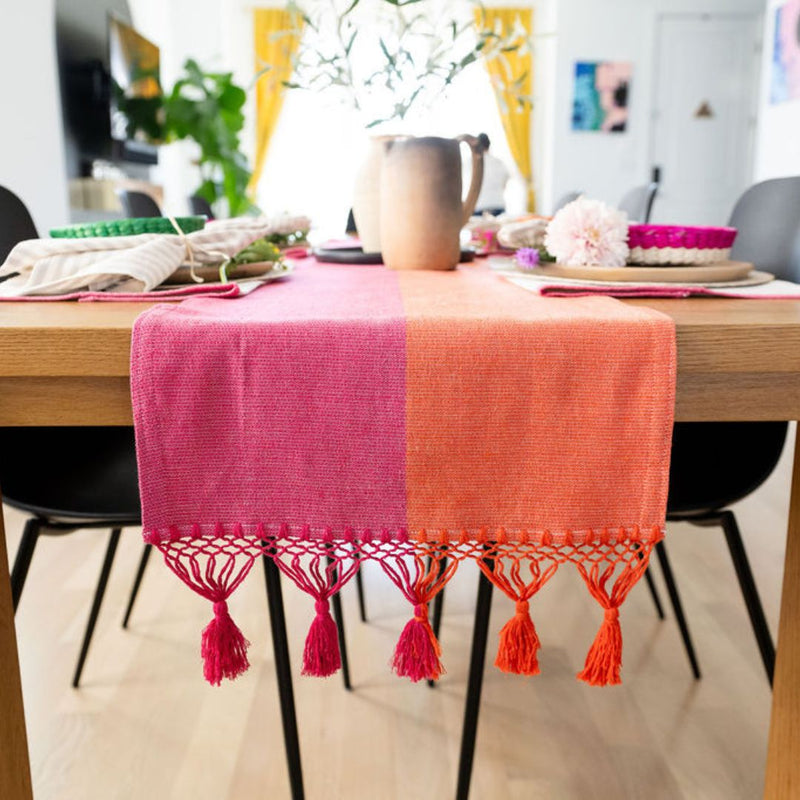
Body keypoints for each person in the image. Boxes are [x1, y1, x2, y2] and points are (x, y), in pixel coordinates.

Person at [473, 133, 510, 217]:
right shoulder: (499, 163)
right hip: (498, 206)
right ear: (489, 145)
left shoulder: (470, 162)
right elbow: (504, 185)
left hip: (478, 207)